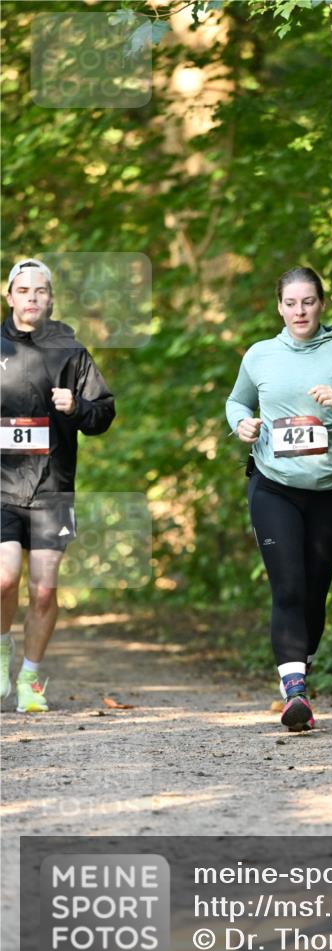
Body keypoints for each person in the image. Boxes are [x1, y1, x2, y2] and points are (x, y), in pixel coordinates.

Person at [226, 266, 332, 731]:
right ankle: (295, 691)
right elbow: (237, 402)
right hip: (273, 486)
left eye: (308, 302)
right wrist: (241, 424)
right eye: (291, 303)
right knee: (289, 587)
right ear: (279, 307)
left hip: (328, 493)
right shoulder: (260, 355)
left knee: (314, 593)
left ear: (321, 305)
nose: (300, 311)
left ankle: (300, 663)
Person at [0, 258, 116, 712]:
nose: (32, 298)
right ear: (10, 297)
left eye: (40, 291)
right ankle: (2, 648)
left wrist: (76, 407)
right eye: (23, 290)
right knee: (4, 578)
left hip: (53, 488)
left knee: (44, 589)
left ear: (50, 298)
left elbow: (103, 413)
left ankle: (29, 679)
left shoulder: (71, 351)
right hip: (1, 487)